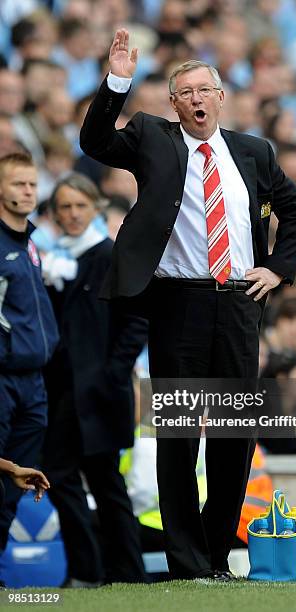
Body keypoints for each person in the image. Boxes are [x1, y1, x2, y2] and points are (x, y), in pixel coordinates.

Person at [80, 29, 296, 581]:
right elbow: (94, 142)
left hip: (238, 304)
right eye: (186, 93)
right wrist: (116, 81)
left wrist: (277, 269)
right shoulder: (151, 137)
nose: (197, 100)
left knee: (234, 437)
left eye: (205, 89)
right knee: (180, 437)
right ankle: (186, 563)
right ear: (173, 104)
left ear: (221, 95)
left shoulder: (253, 151)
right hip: (177, 304)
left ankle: (215, 557)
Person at [41, 173, 148, 587]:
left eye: (79, 206)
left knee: (100, 482)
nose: (71, 215)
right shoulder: (56, 262)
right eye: (64, 207)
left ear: (95, 208)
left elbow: (135, 322)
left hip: (98, 394)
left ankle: (114, 571)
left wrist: (111, 376)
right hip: (66, 391)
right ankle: (100, 570)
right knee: (75, 477)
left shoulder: (107, 255)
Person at [0, 152, 59, 560]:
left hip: (34, 380)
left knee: (14, 483)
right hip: (3, 377)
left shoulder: (32, 243)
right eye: (18, 183)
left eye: (32, 184)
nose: (27, 191)